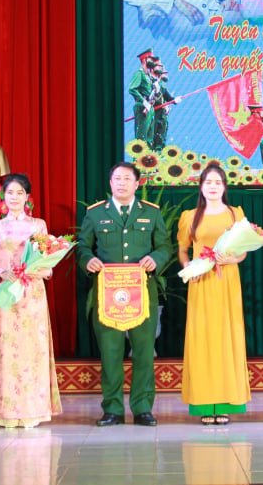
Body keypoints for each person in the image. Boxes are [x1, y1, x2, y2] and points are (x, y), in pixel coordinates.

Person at [78, 162, 172, 427]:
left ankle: (143, 408)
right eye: (116, 178)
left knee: (143, 352)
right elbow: (82, 246)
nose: (121, 183)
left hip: (142, 294)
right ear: (110, 183)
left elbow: (164, 246)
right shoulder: (96, 214)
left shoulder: (151, 213)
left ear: (137, 183)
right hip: (107, 295)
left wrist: (155, 259)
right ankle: (112, 409)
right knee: (110, 352)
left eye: (127, 178)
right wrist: (88, 261)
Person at [0, 173, 62, 428]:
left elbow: (45, 255)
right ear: (3, 197)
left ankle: (33, 411)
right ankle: (7, 412)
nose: (14, 198)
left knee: (32, 350)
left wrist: (41, 270)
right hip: (7, 292)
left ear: (27, 197)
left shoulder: (38, 225)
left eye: (20, 193)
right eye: (10, 193)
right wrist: (0, 272)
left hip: (32, 293)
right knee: (7, 351)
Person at [176, 163, 251, 425]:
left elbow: (242, 251)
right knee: (203, 340)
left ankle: (226, 403)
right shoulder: (190, 216)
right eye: (208, 182)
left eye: (217, 182)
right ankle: (205, 404)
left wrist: (233, 260)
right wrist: (189, 267)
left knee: (226, 337)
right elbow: (184, 250)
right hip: (201, 282)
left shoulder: (235, 214)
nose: (213, 187)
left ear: (224, 186)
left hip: (227, 281)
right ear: (201, 186)